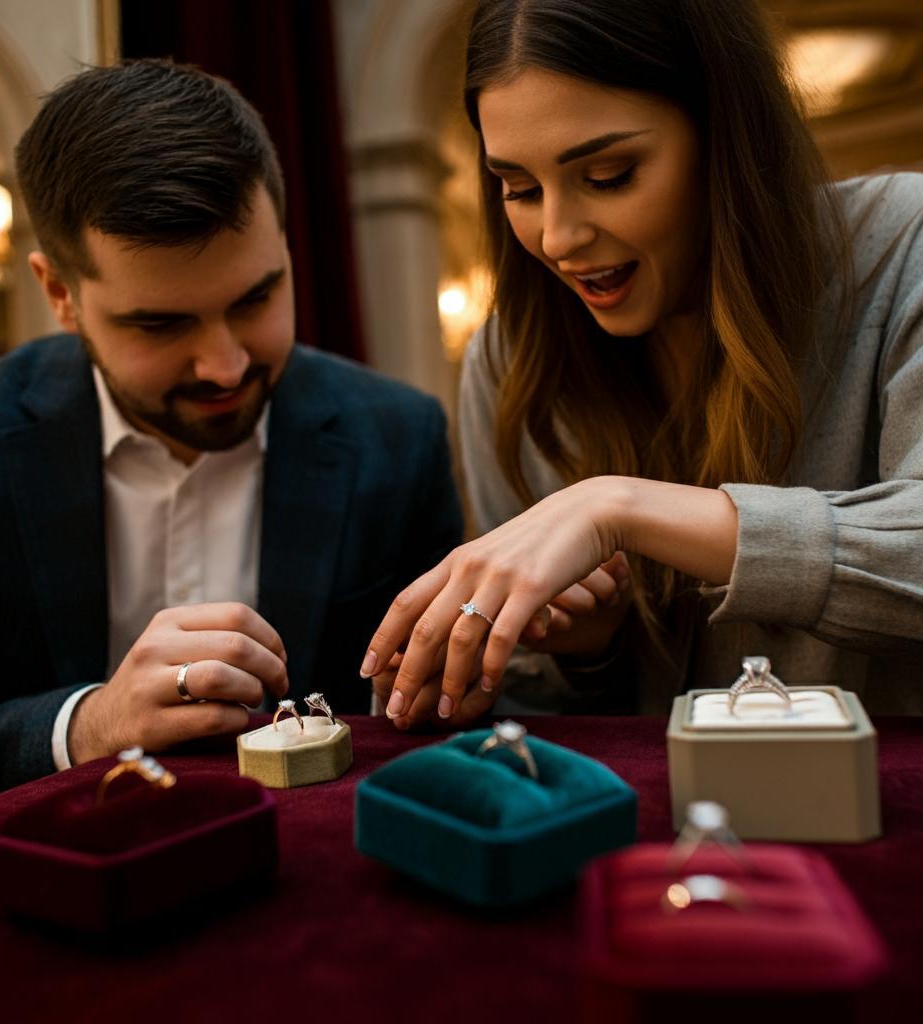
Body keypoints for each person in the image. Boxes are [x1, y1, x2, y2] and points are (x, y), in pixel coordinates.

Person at [0, 60, 462, 825]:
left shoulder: (398, 436)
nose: (225, 364)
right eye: (160, 324)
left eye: (257, 297)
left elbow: (433, 734)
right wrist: (89, 726)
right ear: (60, 294)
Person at [362, 0, 923, 727]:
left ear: (725, 135)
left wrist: (615, 508)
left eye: (610, 174)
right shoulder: (508, 356)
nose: (558, 238)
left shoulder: (903, 241)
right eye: (520, 189)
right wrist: (585, 651)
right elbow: (538, 720)